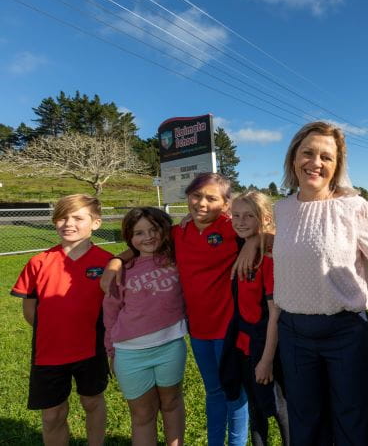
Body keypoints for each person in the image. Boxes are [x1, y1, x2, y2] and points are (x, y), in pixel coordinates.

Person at [273, 121, 368, 445]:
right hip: (293, 332)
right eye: (308, 152)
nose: (316, 162)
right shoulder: (280, 210)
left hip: (345, 332)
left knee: (353, 422)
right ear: (294, 157)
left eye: (326, 157)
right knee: (305, 423)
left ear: (337, 167)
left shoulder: (354, 207)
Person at [101, 173, 255, 445]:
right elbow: (142, 245)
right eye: (196, 196)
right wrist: (115, 260)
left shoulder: (232, 228)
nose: (202, 203)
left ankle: (237, 442)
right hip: (198, 330)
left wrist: (253, 242)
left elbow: (268, 236)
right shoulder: (177, 233)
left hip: (229, 327)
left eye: (211, 198)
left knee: (235, 391)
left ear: (226, 203)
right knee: (214, 391)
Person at [11, 194, 112, 445]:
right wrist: (58, 332)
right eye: (62, 218)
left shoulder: (108, 262)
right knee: (53, 414)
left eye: (78, 217)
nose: (69, 223)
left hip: (91, 349)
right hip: (49, 353)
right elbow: (30, 311)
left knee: (92, 402)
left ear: (96, 223)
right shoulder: (38, 262)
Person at [103, 207, 186, 445]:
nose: (148, 237)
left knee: (171, 404)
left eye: (153, 230)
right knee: (142, 415)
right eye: (139, 233)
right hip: (129, 354)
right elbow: (110, 314)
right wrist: (111, 351)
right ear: (129, 237)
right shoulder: (122, 271)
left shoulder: (177, 258)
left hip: (170, 347)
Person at [219, 190, 290, 446]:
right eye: (235, 215)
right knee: (256, 408)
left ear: (265, 217)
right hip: (243, 344)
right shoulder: (241, 245)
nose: (240, 221)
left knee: (280, 408)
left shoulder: (269, 258)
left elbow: (275, 313)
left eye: (249, 216)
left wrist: (267, 360)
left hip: (267, 347)